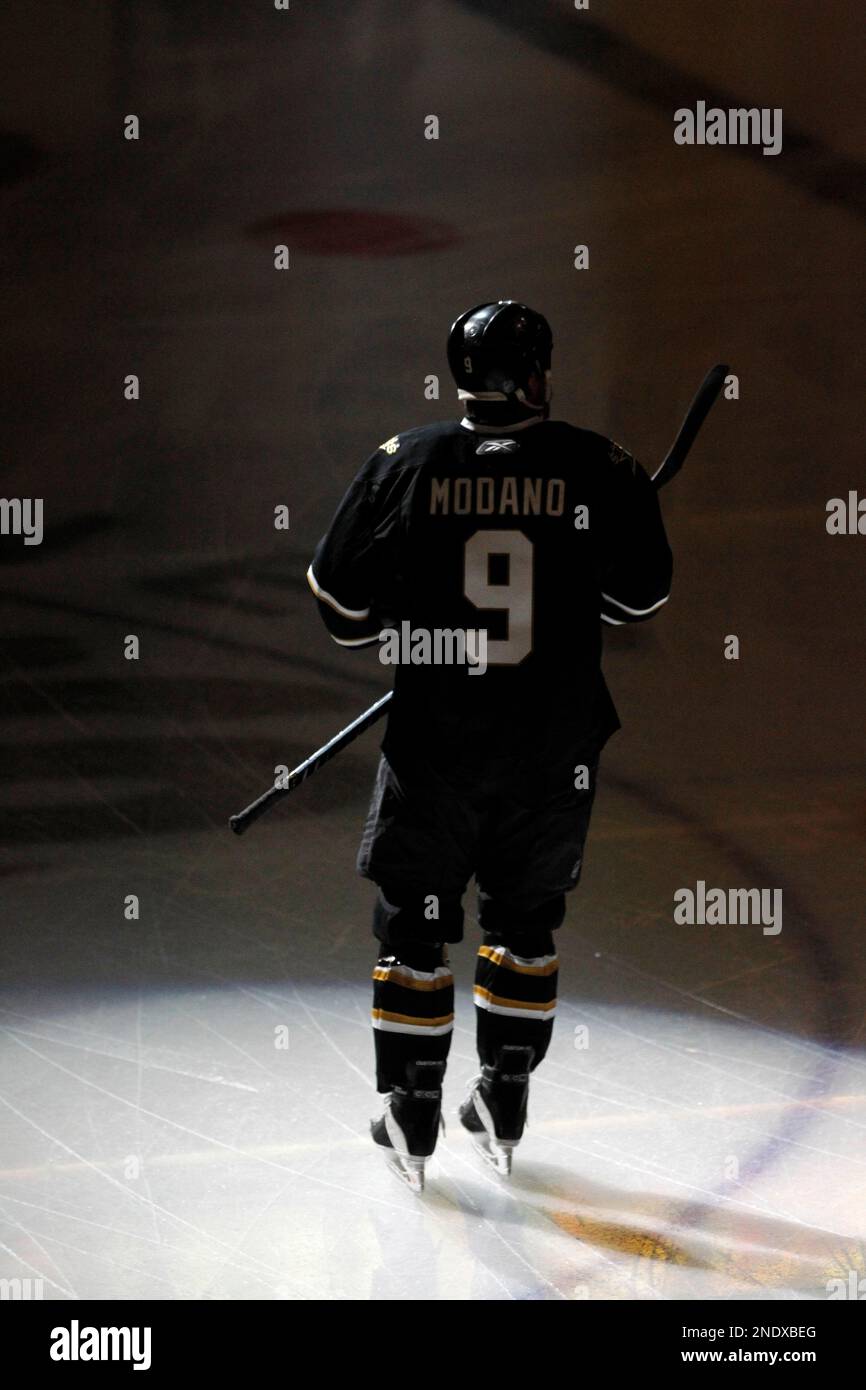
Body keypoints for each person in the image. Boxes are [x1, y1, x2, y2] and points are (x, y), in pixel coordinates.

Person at [307, 301, 672, 1189]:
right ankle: (503, 1096)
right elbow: (641, 601)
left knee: (417, 927)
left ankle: (412, 1110)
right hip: (554, 750)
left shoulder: (407, 462)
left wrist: (419, 605)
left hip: (438, 745)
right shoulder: (598, 465)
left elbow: (339, 610)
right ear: (538, 373)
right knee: (525, 920)